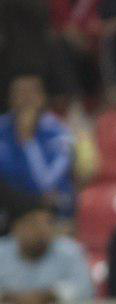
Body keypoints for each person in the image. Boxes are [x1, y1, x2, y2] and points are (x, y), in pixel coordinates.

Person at [0, 73, 76, 219]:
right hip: (9, 212)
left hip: (51, 215)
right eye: (20, 93)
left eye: (31, 92)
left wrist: (29, 142)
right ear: (10, 99)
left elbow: (45, 185)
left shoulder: (61, 134)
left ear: (42, 98)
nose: (26, 99)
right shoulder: (1, 129)